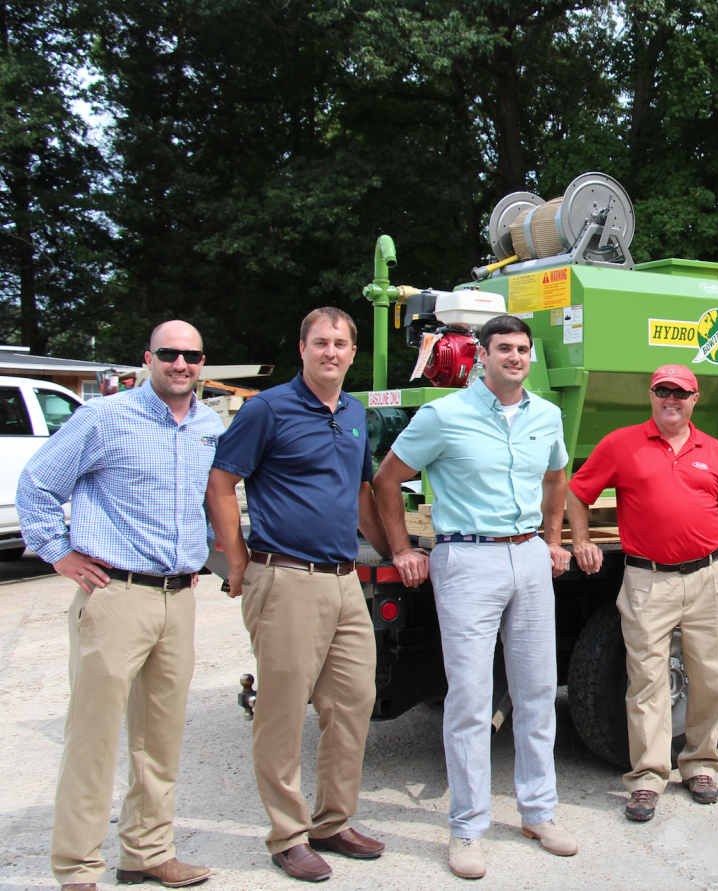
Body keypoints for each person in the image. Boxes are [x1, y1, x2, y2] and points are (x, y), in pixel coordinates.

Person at [17, 320, 220, 890]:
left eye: (192, 355)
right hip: (114, 597)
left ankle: (148, 853)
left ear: (202, 361)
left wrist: (193, 551)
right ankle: (77, 867)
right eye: (169, 354)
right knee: (94, 736)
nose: (181, 364)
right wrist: (59, 554)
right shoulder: (103, 418)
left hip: (177, 598)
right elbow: (36, 486)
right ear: (147, 358)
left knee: (160, 737)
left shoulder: (207, 425)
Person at [372, 314, 575, 880]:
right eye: (503, 348)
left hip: (528, 555)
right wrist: (400, 551)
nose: (515, 357)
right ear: (481, 355)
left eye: (522, 349)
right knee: (469, 697)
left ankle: (539, 812)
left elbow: (558, 477)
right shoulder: (443, 415)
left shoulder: (547, 415)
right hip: (467, 559)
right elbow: (387, 480)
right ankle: (467, 827)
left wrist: (553, 540)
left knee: (535, 690)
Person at [206, 307, 392, 882]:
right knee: (283, 713)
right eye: (320, 343)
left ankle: (333, 821)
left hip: (343, 582)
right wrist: (237, 560)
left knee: (353, 703)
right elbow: (221, 480)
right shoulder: (268, 409)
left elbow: (362, 491)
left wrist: (391, 552)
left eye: (340, 343)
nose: (330, 352)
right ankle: (287, 836)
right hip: (284, 577)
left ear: (352, 353)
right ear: (303, 348)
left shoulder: (356, 413)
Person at [567, 364, 718, 823]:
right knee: (647, 681)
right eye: (663, 391)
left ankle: (701, 764)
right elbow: (577, 493)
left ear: (695, 398)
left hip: (711, 575)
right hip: (648, 579)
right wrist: (582, 540)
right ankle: (648, 777)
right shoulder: (621, 443)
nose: (672, 399)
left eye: (681, 392)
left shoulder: (715, 451)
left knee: (712, 678)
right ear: (651, 395)